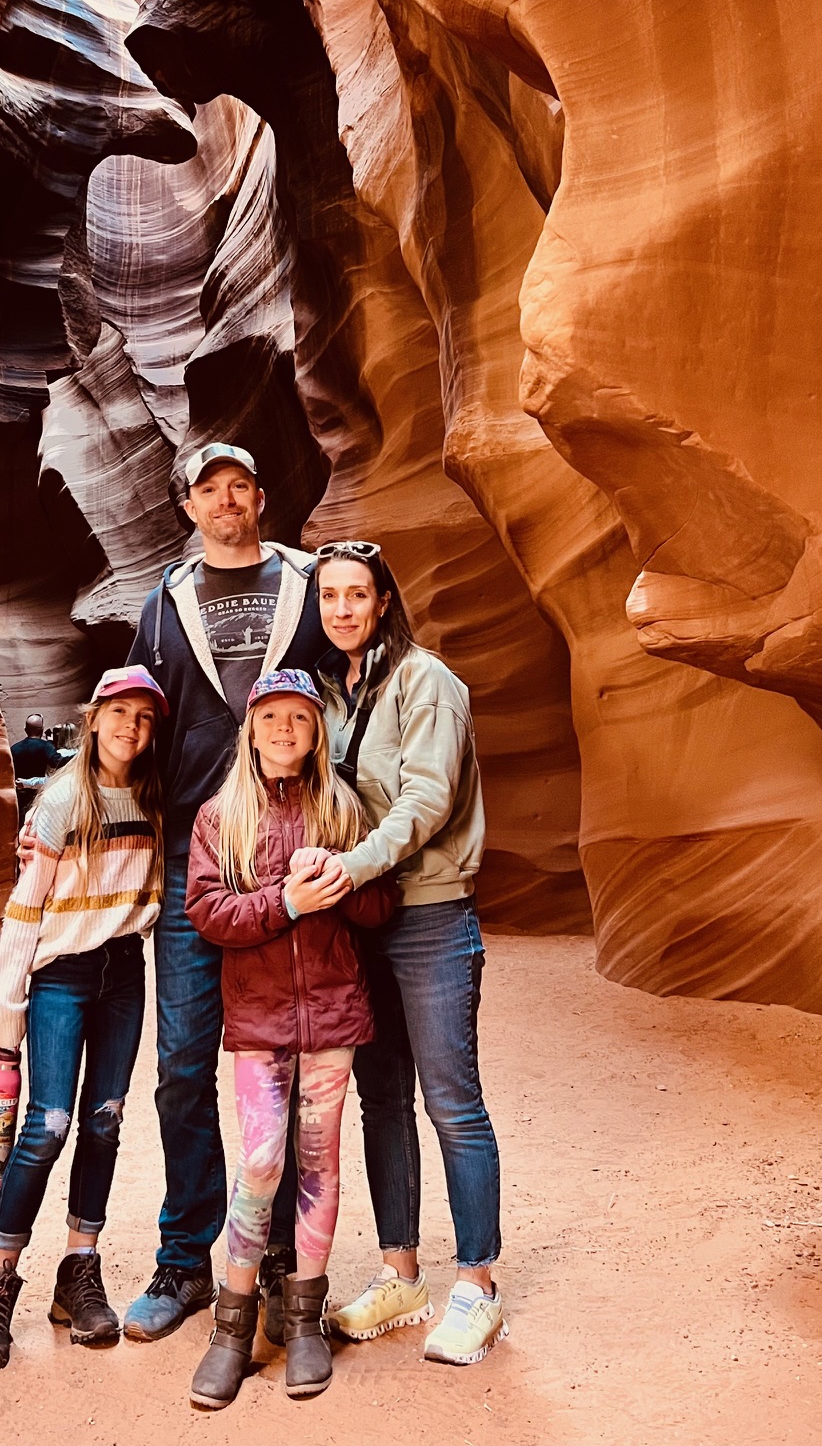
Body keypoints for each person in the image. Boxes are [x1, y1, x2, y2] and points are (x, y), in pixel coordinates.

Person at [119, 441, 329, 1342]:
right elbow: (133, 717)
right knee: (181, 1064)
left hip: (290, 845)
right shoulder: (163, 603)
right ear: (190, 507)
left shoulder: (308, 587)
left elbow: (347, 694)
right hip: (191, 854)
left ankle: (276, 1254)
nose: (227, 500)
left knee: (284, 1060)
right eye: (211, 489)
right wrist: (74, 816)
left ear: (260, 497)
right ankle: (184, 1257)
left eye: (240, 486)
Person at [308, 541, 506, 1366]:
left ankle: (478, 1287)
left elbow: (427, 798)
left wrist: (351, 866)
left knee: (451, 1102)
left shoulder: (428, 683)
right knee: (381, 1100)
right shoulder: (331, 693)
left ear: (384, 601)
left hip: (428, 915)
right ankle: (401, 1274)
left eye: (357, 595)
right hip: (363, 921)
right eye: (330, 597)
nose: (343, 610)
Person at [184, 670, 396, 1407]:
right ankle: (233, 1326)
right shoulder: (220, 816)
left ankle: (304, 1317)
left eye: (299, 718)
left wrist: (339, 877)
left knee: (319, 1162)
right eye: (270, 716)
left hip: (332, 1014)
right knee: (261, 1161)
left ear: (317, 733)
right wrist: (286, 901)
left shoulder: (343, 808)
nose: (284, 729)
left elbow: (380, 904)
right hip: (259, 1020)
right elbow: (207, 912)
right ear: (251, 729)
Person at [0, 666, 166, 1373]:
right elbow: (25, 908)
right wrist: (6, 1008)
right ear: (94, 717)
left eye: (144, 718)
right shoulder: (62, 800)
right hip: (61, 974)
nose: (131, 728)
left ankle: (79, 1272)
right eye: (120, 713)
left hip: (123, 971)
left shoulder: (155, 797)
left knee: (104, 1119)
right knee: (47, 1125)